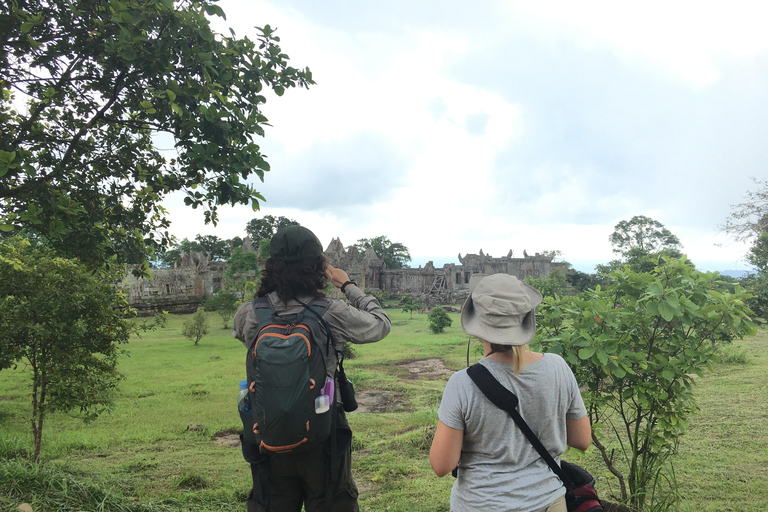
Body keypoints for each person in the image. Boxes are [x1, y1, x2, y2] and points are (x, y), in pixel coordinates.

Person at [231, 225, 391, 512]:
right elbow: (380, 324)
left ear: (271, 267)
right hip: (324, 429)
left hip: (269, 430)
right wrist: (347, 285)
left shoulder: (249, 313)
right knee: (332, 501)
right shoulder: (331, 311)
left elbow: (243, 338)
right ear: (318, 267)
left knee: (272, 502)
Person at [429, 273, 591, 512]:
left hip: (483, 504)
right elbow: (582, 440)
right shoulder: (558, 368)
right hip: (550, 502)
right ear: (525, 318)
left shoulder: (462, 383)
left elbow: (442, 465)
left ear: (475, 320)